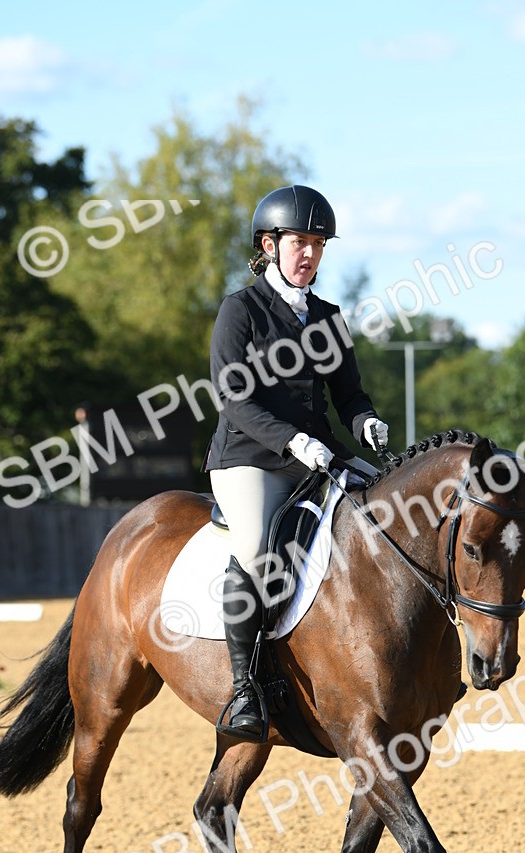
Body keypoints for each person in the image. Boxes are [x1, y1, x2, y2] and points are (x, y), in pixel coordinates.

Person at [205, 184, 389, 738]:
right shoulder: (241, 310)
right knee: (258, 549)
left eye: (317, 243)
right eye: (298, 242)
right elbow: (233, 398)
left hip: (318, 456)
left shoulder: (329, 317)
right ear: (269, 243)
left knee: (391, 516)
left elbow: (349, 396)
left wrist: (365, 423)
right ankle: (244, 689)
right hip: (249, 459)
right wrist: (292, 441)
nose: (308, 253)